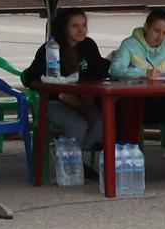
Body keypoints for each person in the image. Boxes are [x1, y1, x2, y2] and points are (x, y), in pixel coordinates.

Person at [21, 9, 112, 178]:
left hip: (83, 100)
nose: (81, 30)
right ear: (64, 28)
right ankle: (71, 164)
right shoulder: (50, 48)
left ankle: (65, 155)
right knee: (77, 125)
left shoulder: (89, 45)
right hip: (54, 101)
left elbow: (98, 70)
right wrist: (62, 93)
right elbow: (30, 78)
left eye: (84, 25)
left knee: (102, 122)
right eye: (75, 26)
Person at [108, 7, 165, 180]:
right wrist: (143, 73)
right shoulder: (130, 44)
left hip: (160, 100)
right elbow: (115, 69)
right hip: (134, 103)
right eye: (157, 31)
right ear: (146, 27)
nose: (160, 37)